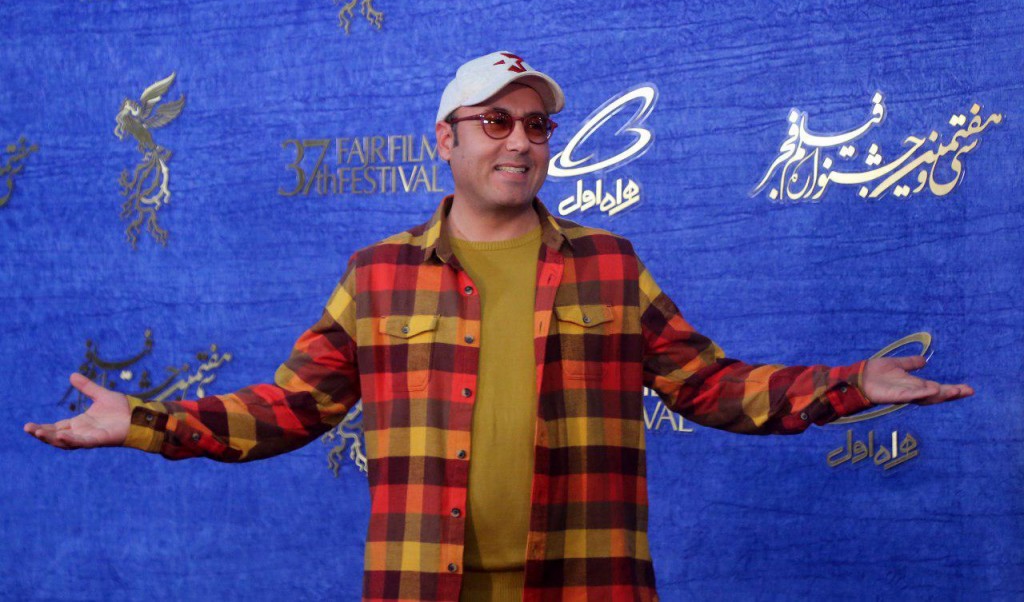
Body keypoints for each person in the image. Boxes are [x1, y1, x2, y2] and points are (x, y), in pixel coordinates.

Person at [25, 51, 973, 602]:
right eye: (495, 122)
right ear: (446, 139)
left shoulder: (610, 264)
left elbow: (711, 386)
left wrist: (850, 384)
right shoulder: (378, 275)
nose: (521, 140)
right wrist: (143, 421)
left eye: (537, 125)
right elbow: (288, 408)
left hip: (588, 584)